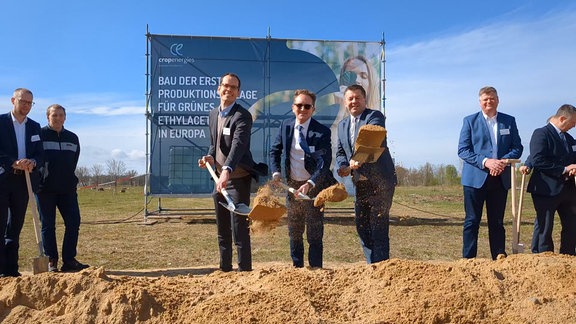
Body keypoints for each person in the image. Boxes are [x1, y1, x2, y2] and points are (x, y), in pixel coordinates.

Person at [197, 73, 266, 272]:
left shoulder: (242, 115)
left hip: (237, 179)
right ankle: (225, 269)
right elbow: (214, 144)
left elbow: (238, 146)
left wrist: (227, 169)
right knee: (222, 228)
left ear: (238, 92)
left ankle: (244, 270)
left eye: (233, 87)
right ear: (218, 89)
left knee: (239, 228)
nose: (229, 89)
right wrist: (210, 157)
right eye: (225, 85)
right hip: (219, 179)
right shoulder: (212, 114)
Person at [270, 89, 337, 268]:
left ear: (313, 109)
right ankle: (297, 269)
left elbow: (324, 163)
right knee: (295, 231)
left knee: (314, 232)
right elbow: (275, 151)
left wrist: (310, 183)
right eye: (299, 105)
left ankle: (315, 269)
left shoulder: (322, 132)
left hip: (314, 188)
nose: (303, 109)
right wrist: (276, 172)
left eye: (307, 106)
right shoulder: (285, 126)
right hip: (292, 187)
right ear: (293, 107)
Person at [458, 86, 523, 260]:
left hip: (500, 178)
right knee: (472, 221)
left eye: (492, 98)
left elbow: (517, 147)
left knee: (497, 222)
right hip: (475, 179)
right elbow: (463, 150)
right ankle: (468, 258)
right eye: (485, 99)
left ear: (498, 100)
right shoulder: (470, 121)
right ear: (480, 102)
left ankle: (499, 255)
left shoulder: (509, 121)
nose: (489, 102)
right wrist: (486, 162)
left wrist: (502, 162)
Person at [335, 84, 397, 264]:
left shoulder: (374, 116)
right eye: (350, 98)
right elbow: (340, 152)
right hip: (360, 183)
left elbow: (372, 139)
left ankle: (382, 269)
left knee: (378, 227)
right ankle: (372, 267)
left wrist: (358, 159)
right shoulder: (342, 125)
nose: (354, 101)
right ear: (345, 102)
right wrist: (343, 166)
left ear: (364, 100)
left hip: (381, 182)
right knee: (362, 227)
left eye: (357, 98)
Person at [36, 104, 89, 272]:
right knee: (48, 225)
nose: (58, 118)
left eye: (61, 115)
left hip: (67, 189)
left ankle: (69, 260)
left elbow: (73, 161)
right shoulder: (40, 135)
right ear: (48, 117)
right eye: (54, 115)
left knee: (73, 223)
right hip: (45, 189)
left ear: (65, 117)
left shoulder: (72, 138)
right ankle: (51, 260)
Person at [0, 88, 44, 277]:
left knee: (15, 227)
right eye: (23, 101)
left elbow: (41, 153)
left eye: (30, 103)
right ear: (13, 100)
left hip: (23, 182)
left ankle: (11, 269)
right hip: (3, 179)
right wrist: (13, 162)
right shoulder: (1, 122)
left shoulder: (34, 126)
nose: (26, 106)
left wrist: (32, 162)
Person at [524, 104, 576, 255]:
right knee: (545, 226)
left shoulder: (569, 138)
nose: (574, 126)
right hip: (546, 188)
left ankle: (568, 256)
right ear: (562, 118)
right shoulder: (541, 134)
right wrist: (564, 169)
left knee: (571, 224)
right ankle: (543, 257)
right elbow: (538, 160)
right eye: (573, 123)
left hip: (568, 190)